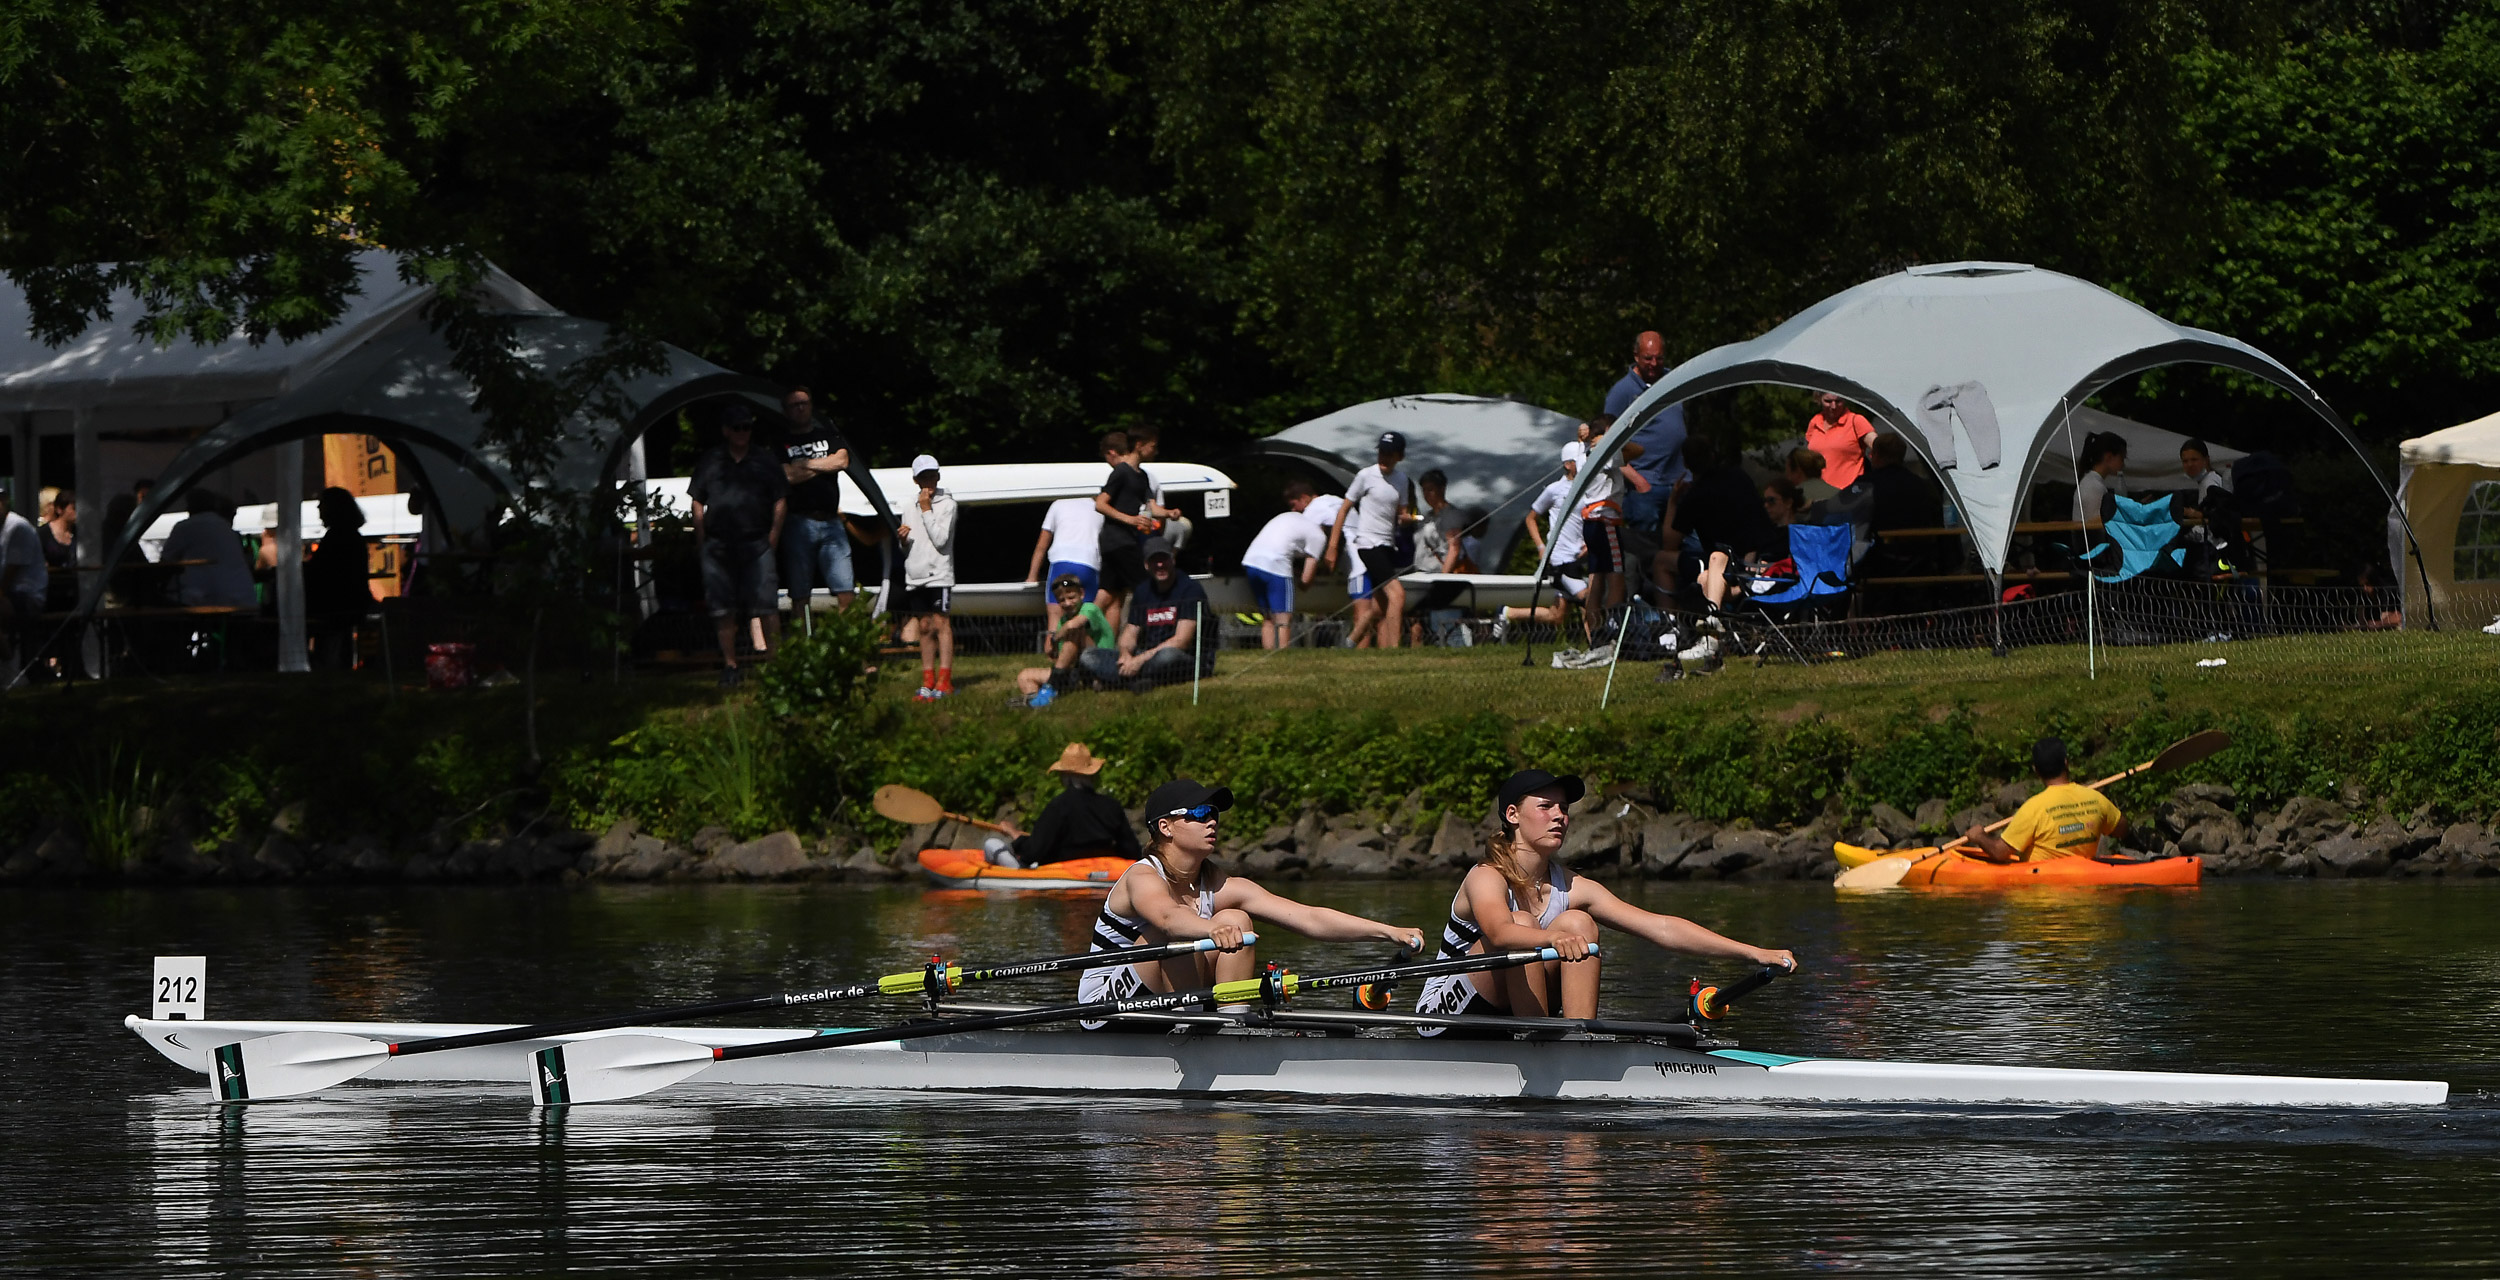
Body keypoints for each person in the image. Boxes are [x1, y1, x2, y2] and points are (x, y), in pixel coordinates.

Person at [1415, 770, 1795, 1023]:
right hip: (1445, 1015)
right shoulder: (1485, 876)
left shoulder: (1572, 886)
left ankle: (1578, 1040)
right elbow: (1499, 933)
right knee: (1522, 923)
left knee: (1579, 922)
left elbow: (1661, 928)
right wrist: (1552, 938)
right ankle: (1538, 1041)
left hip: (1513, 1008)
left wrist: (1754, 953)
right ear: (1513, 815)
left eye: (1563, 808)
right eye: (1545, 807)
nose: (1559, 816)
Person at [1075, 777, 1424, 1022]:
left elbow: (1308, 918)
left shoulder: (1219, 884)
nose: (1211, 820)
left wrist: (1388, 931)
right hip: (1105, 1006)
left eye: (1214, 813)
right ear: (1165, 827)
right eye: (1199, 813)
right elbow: (1167, 918)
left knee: (1238, 922)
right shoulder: (1142, 876)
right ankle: (1191, 1029)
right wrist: (1210, 929)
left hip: (1167, 1000)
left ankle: (1230, 1027)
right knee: (1173, 932)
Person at [688, 403, 788, 688]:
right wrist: (701, 538)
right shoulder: (711, 461)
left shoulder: (765, 460)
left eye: (747, 427)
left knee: (767, 606)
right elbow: (697, 499)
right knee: (723, 609)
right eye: (737, 427)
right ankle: (730, 666)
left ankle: (776, 665)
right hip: (718, 546)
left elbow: (780, 499)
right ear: (726, 431)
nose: (743, 432)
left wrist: (773, 536)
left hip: (757, 543)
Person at [1680, 479, 1802, 666]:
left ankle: (1712, 635)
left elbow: (1787, 566)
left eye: (1772, 501)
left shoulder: (1797, 533)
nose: (1765, 506)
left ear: (1788, 502)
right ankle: (1713, 633)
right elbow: (1750, 562)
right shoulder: (1765, 531)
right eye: (1764, 501)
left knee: (1712, 566)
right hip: (1752, 581)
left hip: (1776, 585)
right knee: (1710, 568)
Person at [1962, 737, 2127, 863]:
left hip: (2044, 896)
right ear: (2066, 763)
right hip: (2086, 885)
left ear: (2036, 770)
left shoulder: (2033, 809)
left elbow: (1999, 852)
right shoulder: (2096, 799)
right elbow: (2121, 829)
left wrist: (1979, 837)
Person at [1079, 537, 1209, 692]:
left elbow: (1181, 641)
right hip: (1146, 655)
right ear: (1146, 565)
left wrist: (1139, 660)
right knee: (1089, 656)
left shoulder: (1190, 589)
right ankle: (1141, 680)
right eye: (1154, 560)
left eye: (1164, 559)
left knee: (1167, 657)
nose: (1160, 565)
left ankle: (1119, 681)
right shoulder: (1142, 591)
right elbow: (1130, 633)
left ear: (1172, 560)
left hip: (1182, 657)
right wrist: (1125, 655)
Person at [1325, 430, 1415, 648]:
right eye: (1382, 452)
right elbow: (1344, 509)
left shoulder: (1402, 480)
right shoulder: (1366, 475)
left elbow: (1400, 513)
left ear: (1400, 457)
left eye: (1390, 454)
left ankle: (1349, 642)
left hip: (1387, 544)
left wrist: (1405, 519)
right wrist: (1333, 546)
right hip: (1367, 543)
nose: (1384, 458)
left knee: (1381, 604)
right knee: (1398, 595)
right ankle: (1395, 651)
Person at [985, 742, 1141, 868]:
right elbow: (1132, 850)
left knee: (992, 844)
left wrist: (1015, 836)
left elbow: (1033, 853)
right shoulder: (1112, 806)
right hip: (1106, 872)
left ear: (1065, 776)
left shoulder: (1059, 805)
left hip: (1064, 871)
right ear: (1092, 775)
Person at [1493, 443, 1589, 642]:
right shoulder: (1554, 490)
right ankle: (1596, 644)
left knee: (1557, 616)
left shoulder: (1588, 489)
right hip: (1559, 559)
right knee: (1586, 598)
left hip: (1578, 557)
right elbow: (1531, 518)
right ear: (1568, 464)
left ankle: (1508, 613)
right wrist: (1540, 547)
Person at [776, 386, 856, 611]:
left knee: (846, 590)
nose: (800, 409)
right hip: (798, 522)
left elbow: (842, 461)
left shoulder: (828, 434)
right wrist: (824, 466)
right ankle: (803, 643)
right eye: (794, 405)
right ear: (786, 410)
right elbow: (787, 476)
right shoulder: (781, 442)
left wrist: (806, 464)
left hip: (832, 521)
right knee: (800, 595)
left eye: (804, 403)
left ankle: (846, 642)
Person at [1604, 331, 1691, 532]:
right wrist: (1638, 481)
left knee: (1682, 544)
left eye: (1659, 358)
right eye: (1648, 358)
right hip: (1645, 487)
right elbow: (1606, 444)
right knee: (1646, 547)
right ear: (1636, 356)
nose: (1654, 363)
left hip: (1678, 482)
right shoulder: (1623, 391)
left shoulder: (1674, 381)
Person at [896, 454, 958, 701]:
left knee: (942, 624)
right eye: (924, 477)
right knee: (923, 627)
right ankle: (927, 680)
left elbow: (941, 540)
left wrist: (926, 509)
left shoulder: (948, 504)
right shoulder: (907, 505)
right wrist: (902, 540)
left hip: (939, 573)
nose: (929, 481)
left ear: (939, 476)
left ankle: (945, 680)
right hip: (916, 573)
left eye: (932, 475)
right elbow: (908, 547)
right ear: (915, 480)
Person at [1240, 479, 1326, 650]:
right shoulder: (1319, 536)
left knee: (1268, 616)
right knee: (1283, 619)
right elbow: (1306, 579)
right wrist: (1300, 582)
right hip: (1276, 564)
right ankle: (1283, 653)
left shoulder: (1289, 517)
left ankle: (1268, 653)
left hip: (1251, 560)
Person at [303, 487, 376, 669]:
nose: (318, 508)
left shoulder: (335, 537)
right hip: (353, 602)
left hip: (335, 605)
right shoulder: (353, 536)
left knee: (330, 647)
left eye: (322, 504)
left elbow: (321, 572)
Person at [1093, 430, 1155, 636]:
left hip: (1125, 540)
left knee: (1110, 594)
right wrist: (1130, 519)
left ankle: (1077, 629)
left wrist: (1170, 513)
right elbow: (1100, 504)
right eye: (1153, 446)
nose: (1155, 451)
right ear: (1139, 445)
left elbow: (1152, 506)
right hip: (1118, 542)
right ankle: (1147, 635)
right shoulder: (1121, 472)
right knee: (1145, 587)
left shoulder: (1143, 476)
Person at [1016, 573, 1113, 706]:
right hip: (1076, 670)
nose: (1067, 603)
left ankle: (1051, 687)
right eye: (1062, 600)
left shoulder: (1090, 608)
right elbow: (1064, 655)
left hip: (1099, 664)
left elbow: (1073, 625)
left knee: (1074, 631)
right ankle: (1037, 700)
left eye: (1071, 597)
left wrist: (1054, 640)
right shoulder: (1063, 620)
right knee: (1024, 675)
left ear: (1082, 594)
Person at [1405, 469, 1477, 644]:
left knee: (1442, 620)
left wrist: (1443, 577)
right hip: (1421, 573)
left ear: (1441, 489)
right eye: (1424, 490)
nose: (1427, 494)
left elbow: (1454, 547)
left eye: (1431, 489)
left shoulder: (1451, 515)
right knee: (1417, 620)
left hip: (1438, 574)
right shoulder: (1428, 517)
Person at [161, 489, 256, 609]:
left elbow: (165, 561)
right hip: (243, 598)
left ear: (190, 507)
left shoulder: (185, 527)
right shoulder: (226, 527)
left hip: (206, 598)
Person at [1025, 493, 1104, 637]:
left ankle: (1055, 652)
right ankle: (1087, 656)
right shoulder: (1100, 506)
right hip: (1089, 564)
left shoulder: (1058, 503)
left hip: (1061, 561)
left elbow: (1042, 545)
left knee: (1055, 619)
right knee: (1085, 620)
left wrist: (1032, 576)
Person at [1805, 392, 1877, 489]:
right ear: (1819, 399)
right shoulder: (1815, 422)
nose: (1833, 406)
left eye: (1838, 401)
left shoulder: (1855, 421)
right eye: (1828, 401)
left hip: (1847, 493)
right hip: (1819, 492)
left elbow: (1881, 447)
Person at [2076, 431, 2128, 531]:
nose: (2123, 464)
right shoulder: (2094, 486)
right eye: (2122, 458)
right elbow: (2096, 524)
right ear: (2108, 457)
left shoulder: (2092, 482)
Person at [38, 491, 75, 612]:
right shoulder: (43, 534)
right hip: (51, 594)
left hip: (74, 594)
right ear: (60, 509)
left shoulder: (79, 534)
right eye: (73, 508)